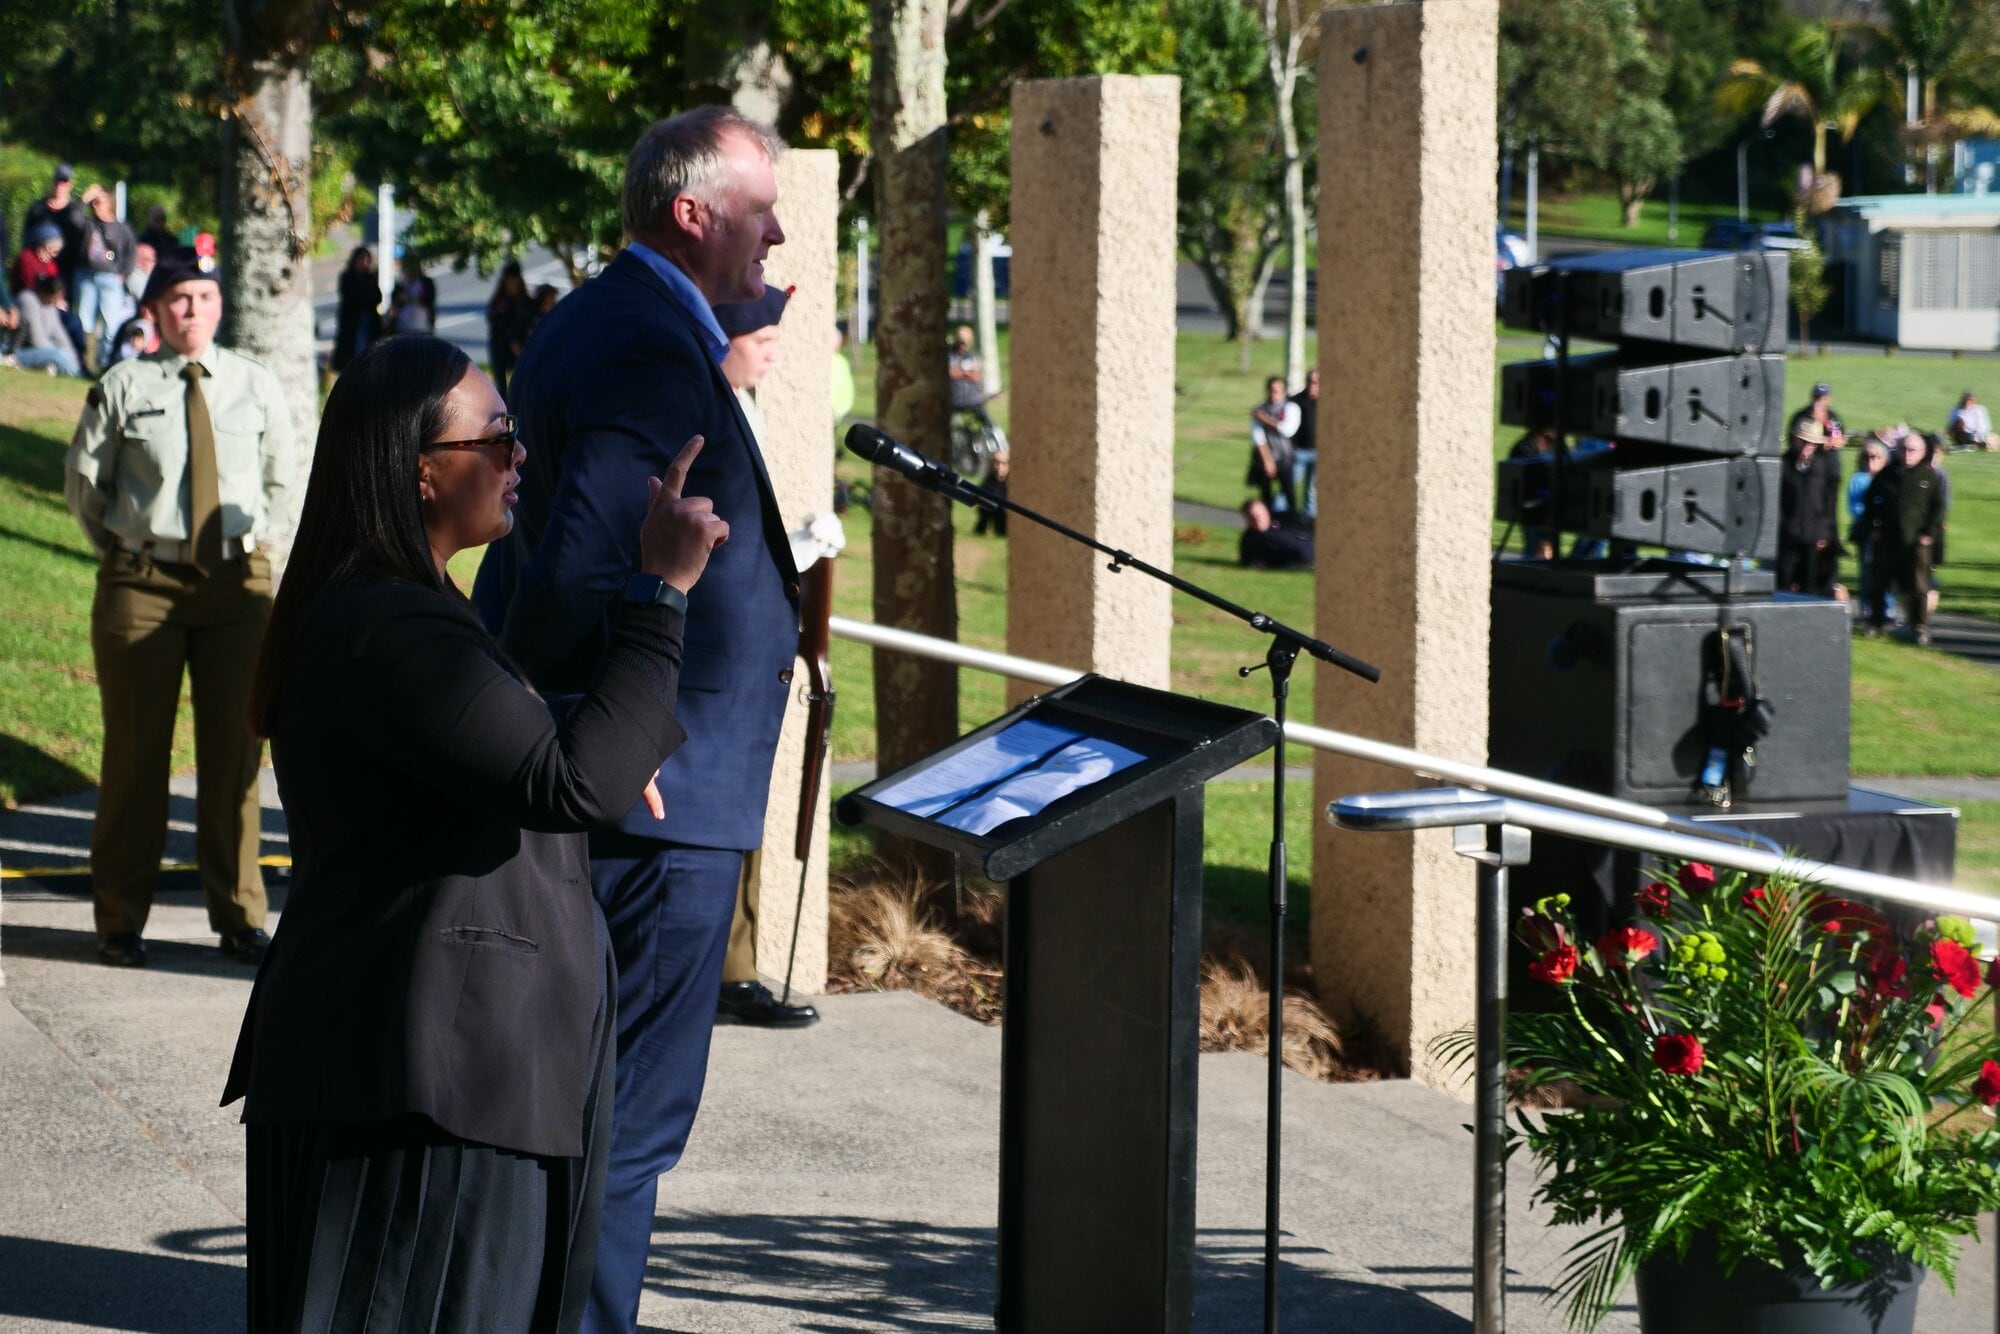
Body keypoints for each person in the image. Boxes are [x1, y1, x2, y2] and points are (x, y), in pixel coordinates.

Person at [222, 333, 726, 1334]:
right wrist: (660, 592)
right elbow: (567, 781)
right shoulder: (387, 622)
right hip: (419, 1089)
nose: (519, 454)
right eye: (496, 436)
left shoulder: (397, 608)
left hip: (434, 1070)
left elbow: (502, 744)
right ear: (420, 469)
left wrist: (600, 720)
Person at [469, 105, 796, 1334]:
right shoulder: (647, 348)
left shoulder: (622, 316)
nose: (776, 231)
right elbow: (567, 572)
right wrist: (580, 720)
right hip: (659, 794)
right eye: (760, 209)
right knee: (627, 1118)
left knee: (595, 1107)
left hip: (650, 770)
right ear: (692, 212)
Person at [63, 248, 296, 968]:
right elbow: (84, 482)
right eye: (178, 299)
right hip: (142, 584)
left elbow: (282, 481)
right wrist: (129, 547)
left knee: (235, 759)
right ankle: (119, 919)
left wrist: (260, 558)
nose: (192, 309)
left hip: (236, 587)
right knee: (136, 757)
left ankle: (238, 916)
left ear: (219, 307)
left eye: (203, 296)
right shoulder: (124, 384)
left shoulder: (256, 386)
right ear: (155, 312)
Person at [707, 284, 822, 1029]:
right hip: (710, 639)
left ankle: (735, 967)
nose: (775, 353)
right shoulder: (704, 409)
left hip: (750, 636)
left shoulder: (746, 405)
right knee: (715, 810)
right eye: (765, 339)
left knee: (743, 804)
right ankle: (723, 970)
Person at [1865, 430, 1947, 645]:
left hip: (1916, 543)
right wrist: (1873, 526)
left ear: (1921, 452)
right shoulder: (1886, 475)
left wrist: (1928, 533)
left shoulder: (1929, 477)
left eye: (1912, 450)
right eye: (1903, 449)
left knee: (1919, 586)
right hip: (1887, 540)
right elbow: (1871, 501)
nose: (1907, 454)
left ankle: (1919, 626)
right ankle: (1876, 622)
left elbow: (1938, 508)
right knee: (1879, 582)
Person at [1776, 418, 1841, 597]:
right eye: (1803, 442)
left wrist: (1824, 532)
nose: (1807, 447)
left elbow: (1829, 502)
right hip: (1787, 534)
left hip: (1813, 536)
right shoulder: (1783, 464)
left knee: (1809, 583)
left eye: (1812, 444)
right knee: (1784, 579)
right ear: (1795, 440)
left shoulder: (1822, 466)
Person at [77, 185, 136, 361]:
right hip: (86, 276)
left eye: (99, 201)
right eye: (93, 202)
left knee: (110, 324)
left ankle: (104, 363)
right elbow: (72, 216)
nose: (95, 205)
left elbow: (131, 253)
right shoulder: (87, 224)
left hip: (110, 278)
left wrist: (122, 274)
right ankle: (84, 361)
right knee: (84, 322)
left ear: (110, 203)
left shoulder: (121, 228)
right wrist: (85, 197)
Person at [22, 164, 88, 300]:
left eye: (64, 182)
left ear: (70, 184)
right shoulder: (37, 209)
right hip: (41, 267)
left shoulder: (74, 212)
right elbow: (27, 239)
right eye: (57, 181)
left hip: (67, 270)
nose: (59, 185)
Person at [1848, 434, 1894, 627]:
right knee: (1867, 570)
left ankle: (1888, 607)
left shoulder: (1889, 479)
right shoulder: (1858, 480)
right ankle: (1868, 607)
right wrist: (1873, 522)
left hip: (1887, 531)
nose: (1870, 460)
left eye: (1875, 457)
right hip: (1866, 530)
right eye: (1867, 456)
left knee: (1887, 571)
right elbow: (1855, 507)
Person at [1248, 374, 1300, 515]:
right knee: (1266, 495)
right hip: (1266, 458)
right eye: (1271, 390)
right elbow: (1257, 436)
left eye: (1276, 390)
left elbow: (1287, 430)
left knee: (1289, 493)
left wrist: (1264, 418)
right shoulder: (1260, 408)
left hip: (1285, 458)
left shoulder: (1291, 408)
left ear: (1283, 392)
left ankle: (1292, 523)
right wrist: (1267, 460)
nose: (1273, 394)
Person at [14, 274, 85, 377]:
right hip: (19, 351)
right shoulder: (28, 300)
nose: (55, 303)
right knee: (58, 354)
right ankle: (76, 377)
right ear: (43, 292)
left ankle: (76, 372)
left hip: (42, 351)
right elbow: (36, 340)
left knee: (63, 353)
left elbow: (60, 335)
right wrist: (59, 354)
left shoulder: (49, 305)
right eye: (54, 299)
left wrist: (72, 358)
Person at [331, 245, 381, 374]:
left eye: (367, 260)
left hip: (368, 320)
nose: (365, 263)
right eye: (362, 259)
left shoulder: (370, 278)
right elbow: (351, 297)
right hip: (352, 322)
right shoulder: (348, 277)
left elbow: (377, 297)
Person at [487, 259, 533, 397]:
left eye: (515, 279)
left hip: (521, 351)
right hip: (501, 350)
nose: (512, 284)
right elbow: (496, 327)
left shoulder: (524, 301)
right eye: (509, 279)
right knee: (502, 390)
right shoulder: (499, 303)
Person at [1238, 497, 1313, 569]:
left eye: (1258, 514)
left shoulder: (1283, 518)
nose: (1257, 519)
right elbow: (1248, 561)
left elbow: (1309, 523)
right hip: (1300, 563)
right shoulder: (1250, 540)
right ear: (1247, 519)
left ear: (1266, 512)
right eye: (1252, 516)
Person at [1289, 370, 1319, 520]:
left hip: (1318, 454)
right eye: (1310, 381)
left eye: (1315, 382)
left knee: (1311, 492)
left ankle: (1308, 523)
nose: (1312, 385)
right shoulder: (1296, 400)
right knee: (1289, 487)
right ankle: (1278, 516)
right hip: (1299, 453)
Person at [1786, 381, 1845, 451]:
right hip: (1803, 458)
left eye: (1823, 398)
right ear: (1811, 397)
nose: (1818, 401)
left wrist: (1823, 421)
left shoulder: (1832, 417)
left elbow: (1837, 442)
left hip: (1827, 458)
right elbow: (1792, 439)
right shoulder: (1801, 416)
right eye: (1816, 397)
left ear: (1828, 400)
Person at [12, 221, 63, 296]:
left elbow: (54, 286)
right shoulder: (26, 258)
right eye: (50, 248)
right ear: (41, 244)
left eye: (56, 252)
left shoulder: (51, 265)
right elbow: (28, 285)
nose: (53, 254)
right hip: (25, 297)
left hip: (45, 299)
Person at [126, 242, 157, 310]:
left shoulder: (144, 276)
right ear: (138, 262)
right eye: (151, 260)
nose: (155, 263)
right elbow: (147, 301)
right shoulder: (135, 277)